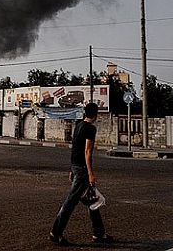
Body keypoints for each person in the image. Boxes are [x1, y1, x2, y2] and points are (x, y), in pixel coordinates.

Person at [49, 102, 112, 245]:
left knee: (92, 200)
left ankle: (99, 234)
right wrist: (90, 173)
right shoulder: (90, 128)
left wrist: (71, 168)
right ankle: (55, 233)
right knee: (70, 202)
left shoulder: (78, 126)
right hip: (83, 171)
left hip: (76, 167)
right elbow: (87, 152)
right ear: (95, 114)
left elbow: (74, 149)